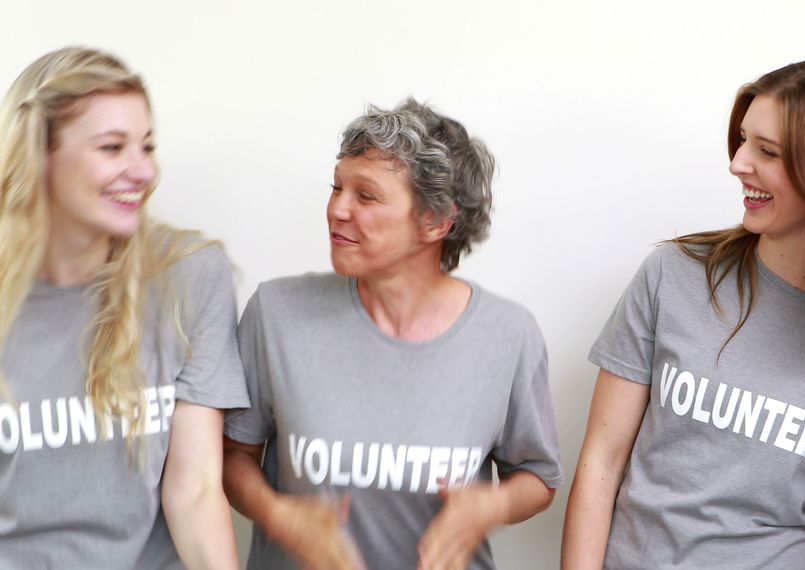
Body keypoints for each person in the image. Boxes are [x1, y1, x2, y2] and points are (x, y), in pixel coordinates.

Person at [561, 59, 805, 569]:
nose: (738, 163)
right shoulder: (674, 274)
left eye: (767, 151)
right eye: (744, 140)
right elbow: (601, 461)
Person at [222, 98, 563, 570]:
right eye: (336, 186)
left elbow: (537, 476)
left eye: (366, 195)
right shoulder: (276, 314)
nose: (337, 209)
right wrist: (280, 517)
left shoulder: (509, 335)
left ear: (436, 221)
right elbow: (232, 457)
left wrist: (490, 506)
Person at [0, 47, 249, 568]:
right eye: (112, 148)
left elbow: (196, 490)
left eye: (148, 146)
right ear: (37, 155)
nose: (143, 171)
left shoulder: (191, 276)